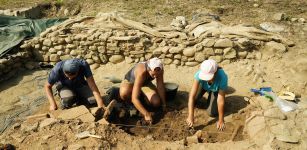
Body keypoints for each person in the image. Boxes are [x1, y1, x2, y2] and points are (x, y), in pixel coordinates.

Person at [119, 57, 166, 124]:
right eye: (153, 74)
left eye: (157, 74)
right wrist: (146, 114)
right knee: (124, 93)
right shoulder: (141, 72)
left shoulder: (159, 70)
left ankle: (141, 97)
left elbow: (160, 86)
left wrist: (163, 104)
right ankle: (131, 106)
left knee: (156, 102)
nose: (155, 76)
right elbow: (134, 98)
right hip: (131, 82)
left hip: (145, 83)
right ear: (149, 69)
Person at [186, 59, 228, 131]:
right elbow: (191, 96)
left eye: (208, 77)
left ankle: (211, 98)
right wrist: (190, 116)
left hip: (215, 90)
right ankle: (208, 99)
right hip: (203, 87)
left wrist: (221, 120)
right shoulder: (199, 74)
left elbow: (220, 100)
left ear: (215, 72)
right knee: (194, 100)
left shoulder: (222, 77)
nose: (206, 79)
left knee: (211, 113)